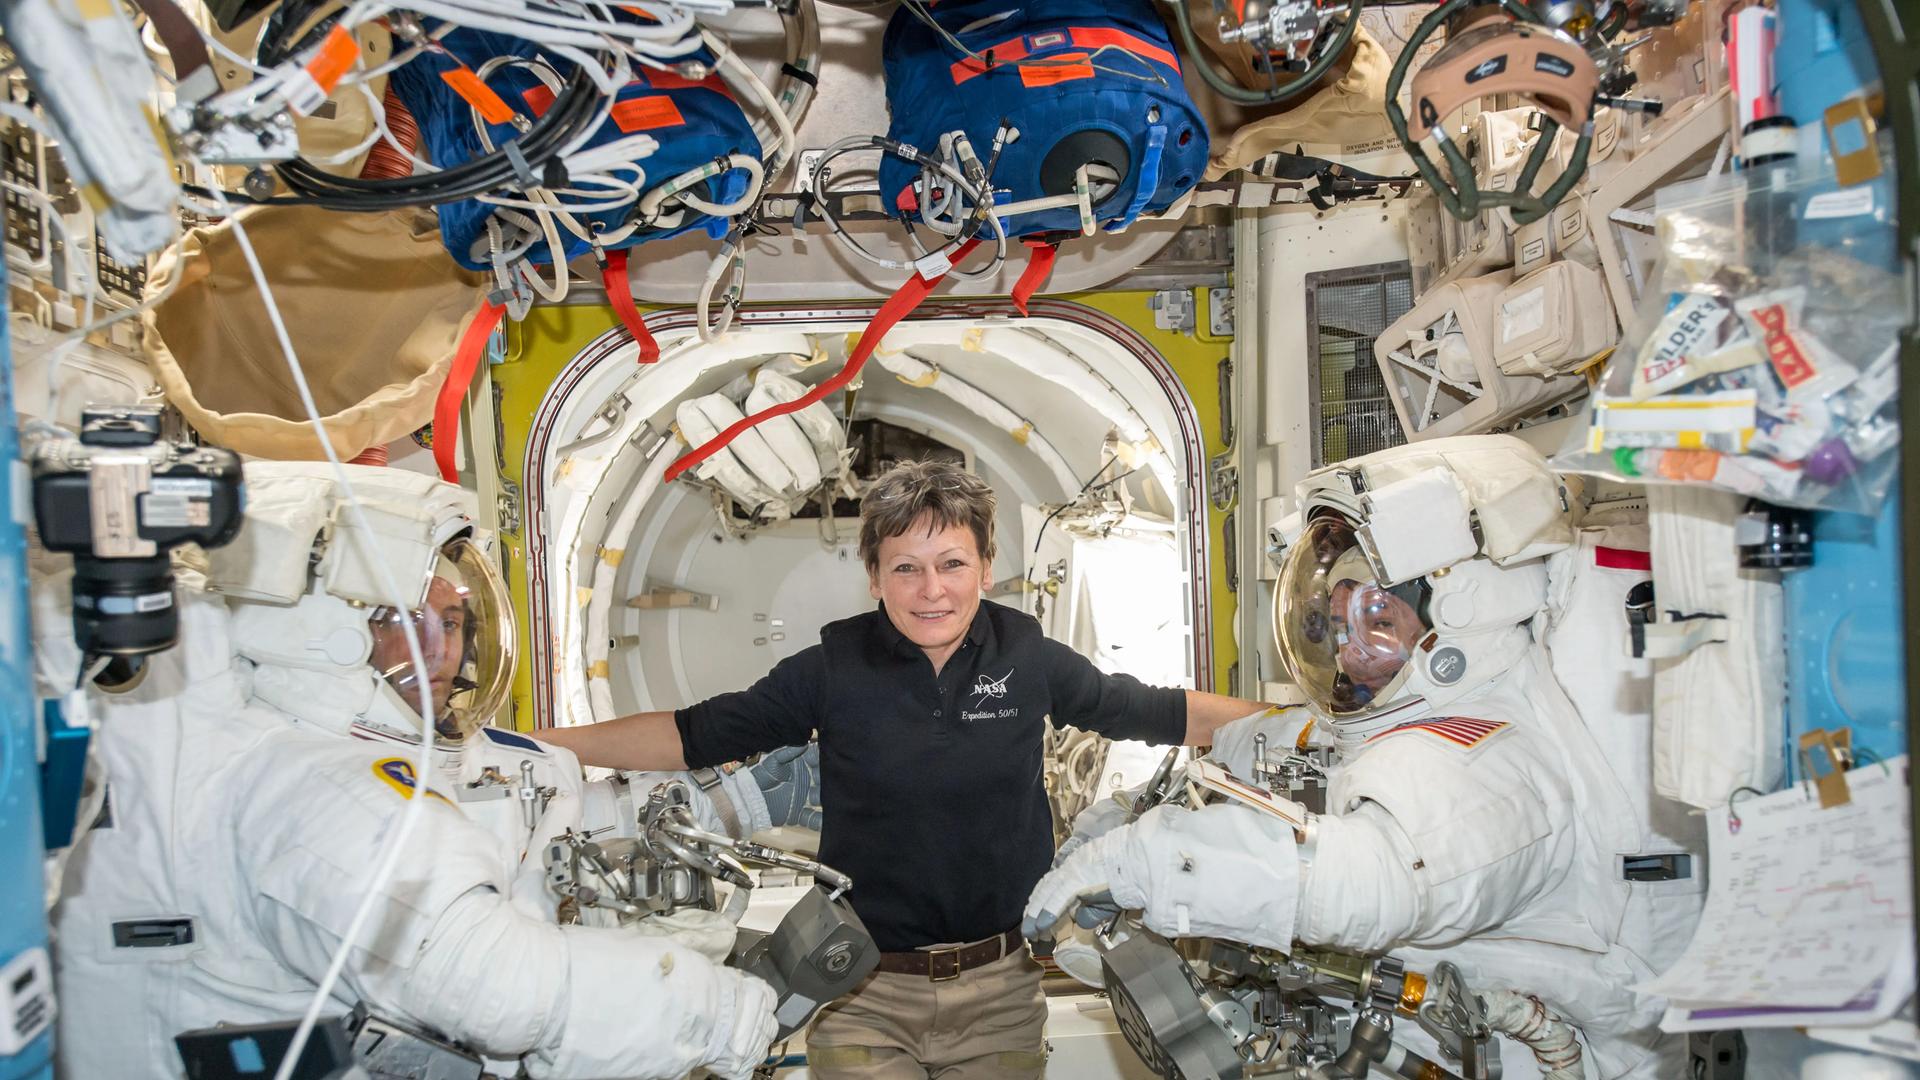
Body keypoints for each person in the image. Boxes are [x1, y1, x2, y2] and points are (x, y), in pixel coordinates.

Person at [539, 457, 1274, 1079]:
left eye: (953, 564)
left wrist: (1291, 726)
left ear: (986, 566)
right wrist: (540, 747)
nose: (932, 591)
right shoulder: (831, 669)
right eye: (907, 569)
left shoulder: (1029, 660)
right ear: (874, 577)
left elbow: (1151, 711)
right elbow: (692, 734)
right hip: (863, 989)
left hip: (1000, 992)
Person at [45, 462, 779, 1079]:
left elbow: (554, 809)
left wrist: (735, 799)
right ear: (319, 631)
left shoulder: (428, 752)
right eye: (401, 620)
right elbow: (497, 985)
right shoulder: (314, 788)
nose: (441, 651)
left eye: (453, 624)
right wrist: (728, 1016)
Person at [1025, 436, 1703, 1079]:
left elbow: (1373, 881)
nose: (1349, 652)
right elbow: (1266, 742)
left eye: (1378, 623)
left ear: (1460, 618)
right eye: (1337, 623)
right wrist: (1130, 812)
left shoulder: (1488, 756)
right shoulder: (1382, 721)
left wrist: (1147, 861)